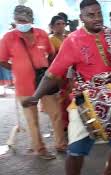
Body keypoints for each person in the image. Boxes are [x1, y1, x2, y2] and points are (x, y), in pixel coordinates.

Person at [21, 0, 111, 175]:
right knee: (76, 150)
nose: (97, 19)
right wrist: (35, 96)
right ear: (81, 18)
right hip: (85, 101)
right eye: (91, 15)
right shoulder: (73, 40)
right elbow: (53, 74)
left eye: (99, 14)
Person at [0, 5, 66, 159]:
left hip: (44, 83)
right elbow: (2, 60)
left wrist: (48, 70)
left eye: (24, 20)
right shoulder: (8, 38)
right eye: (18, 20)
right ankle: (40, 149)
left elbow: (51, 54)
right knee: (32, 120)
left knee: (56, 113)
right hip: (24, 86)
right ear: (15, 20)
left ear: (31, 20)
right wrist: (16, 68)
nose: (21, 23)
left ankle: (60, 144)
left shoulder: (42, 34)